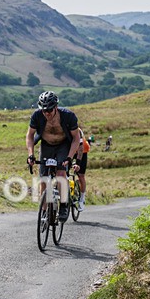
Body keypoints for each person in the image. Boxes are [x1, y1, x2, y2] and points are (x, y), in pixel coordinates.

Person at [26, 91, 80, 222]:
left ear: (56, 107)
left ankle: (63, 205)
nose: (47, 113)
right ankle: (44, 211)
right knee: (43, 180)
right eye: (44, 110)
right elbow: (30, 136)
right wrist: (31, 154)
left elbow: (76, 139)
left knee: (61, 175)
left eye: (49, 110)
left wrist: (69, 157)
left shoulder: (69, 116)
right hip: (46, 145)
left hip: (63, 145)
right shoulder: (37, 116)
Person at [73, 127, 91, 211]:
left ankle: (82, 198)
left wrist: (78, 163)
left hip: (82, 151)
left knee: (81, 175)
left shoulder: (77, 130)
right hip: (71, 150)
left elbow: (80, 148)